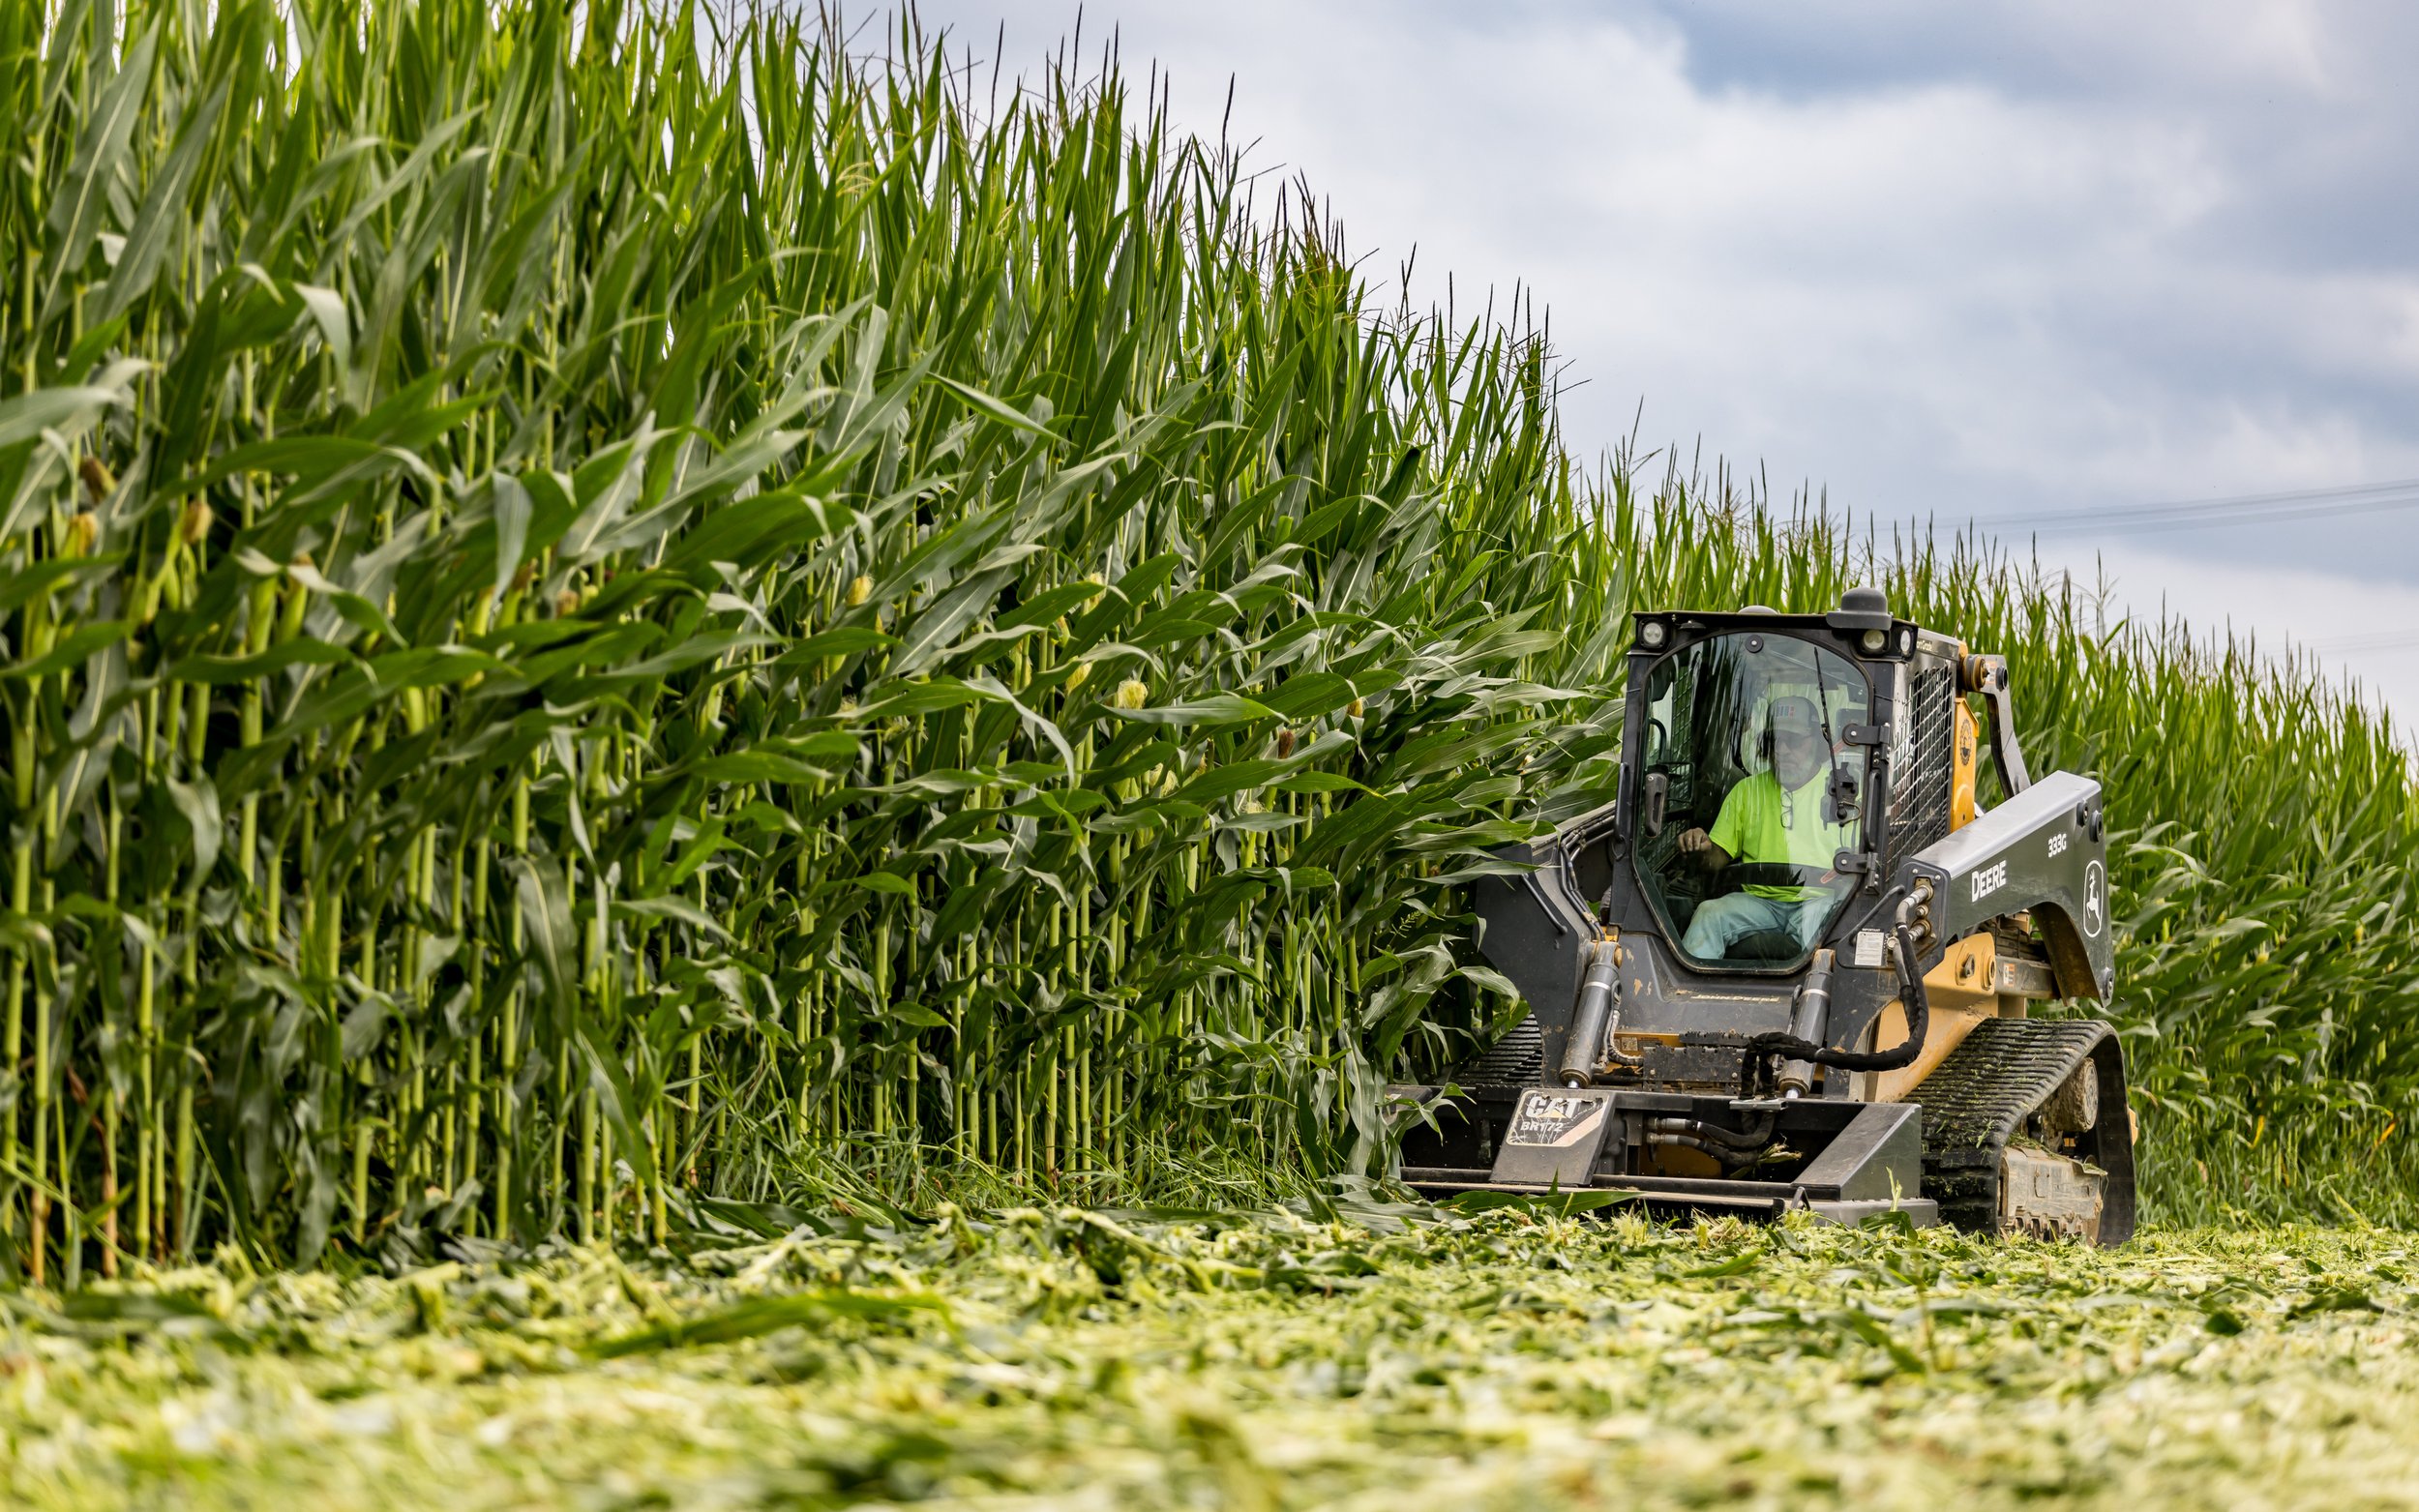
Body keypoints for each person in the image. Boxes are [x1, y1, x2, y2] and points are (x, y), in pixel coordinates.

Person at [1675, 694, 1854, 961]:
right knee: (1708, 913)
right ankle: (1688, 998)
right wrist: (1701, 847)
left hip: (1817, 900)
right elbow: (1716, 860)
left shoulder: (1843, 796)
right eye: (1774, 741)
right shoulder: (1747, 791)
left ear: (1816, 742)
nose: (1781, 750)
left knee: (1819, 933)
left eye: (1792, 741)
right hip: (1759, 902)